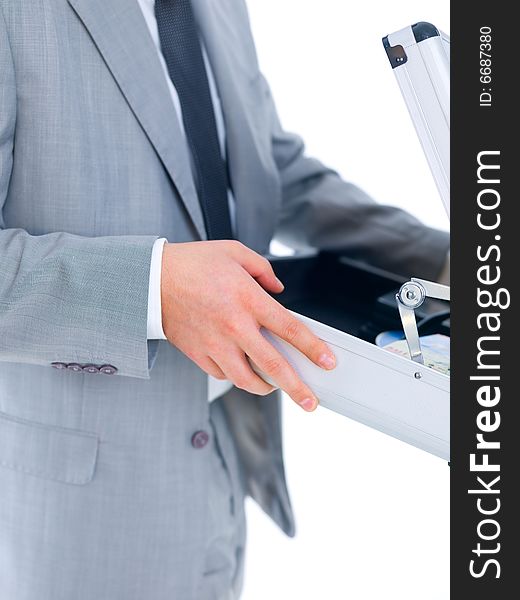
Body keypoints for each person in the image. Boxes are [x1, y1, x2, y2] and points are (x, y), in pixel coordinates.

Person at [0, 1, 449, 598]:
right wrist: (153, 287)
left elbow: (270, 167)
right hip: (78, 516)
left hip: (222, 462)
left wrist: (446, 260)